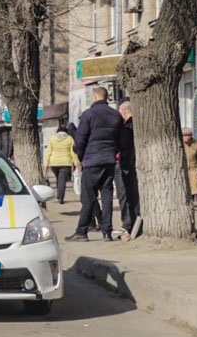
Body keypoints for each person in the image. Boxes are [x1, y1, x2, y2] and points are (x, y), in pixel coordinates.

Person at [67, 86, 122, 242]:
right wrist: (111, 152)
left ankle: (82, 231)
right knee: (107, 197)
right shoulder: (116, 115)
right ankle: (107, 232)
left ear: (96, 96)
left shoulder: (88, 114)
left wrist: (82, 156)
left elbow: (80, 139)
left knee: (88, 197)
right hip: (109, 161)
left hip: (91, 161)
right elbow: (119, 140)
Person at [116, 101, 140, 240]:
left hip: (130, 167)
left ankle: (130, 226)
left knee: (129, 197)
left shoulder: (127, 128)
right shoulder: (140, 124)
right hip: (137, 165)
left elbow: (125, 149)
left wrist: (124, 167)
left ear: (124, 112)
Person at [43, 121, 78, 204]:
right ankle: (60, 196)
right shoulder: (70, 139)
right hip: (66, 162)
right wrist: (76, 163)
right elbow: (73, 152)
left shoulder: (52, 138)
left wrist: (46, 164)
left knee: (58, 178)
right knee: (62, 180)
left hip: (54, 163)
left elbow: (48, 152)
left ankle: (59, 194)